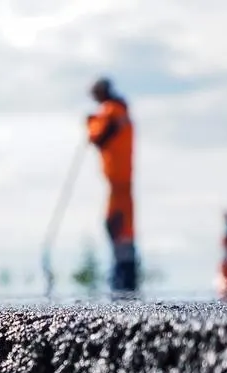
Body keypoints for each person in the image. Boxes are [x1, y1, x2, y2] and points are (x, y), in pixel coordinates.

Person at [87, 77, 138, 296]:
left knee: (115, 224)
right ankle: (126, 275)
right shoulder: (121, 111)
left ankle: (123, 278)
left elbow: (97, 137)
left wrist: (90, 122)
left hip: (118, 180)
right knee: (123, 226)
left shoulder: (111, 111)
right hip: (122, 180)